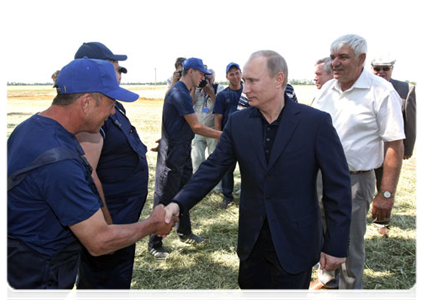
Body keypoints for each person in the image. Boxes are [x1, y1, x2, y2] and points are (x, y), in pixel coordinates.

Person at [164, 50, 352, 300]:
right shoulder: (238, 124)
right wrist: (178, 202)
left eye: (252, 81)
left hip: (295, 241)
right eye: (246, 81)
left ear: (278, 79)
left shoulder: (314, 123)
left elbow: (337, 186)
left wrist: (336, 245)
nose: (245, 88)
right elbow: (213, 168)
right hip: (252, 243)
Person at [5, 58, 177, 300]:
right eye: (110, 103)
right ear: (86, 102)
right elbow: (98, 242)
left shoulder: (30, 128)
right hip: (34, 279)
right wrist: (152, 224)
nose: (112, 111)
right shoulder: (59, 162)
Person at [310, 34, 405, 300]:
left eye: (342, 57)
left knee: (350, 243)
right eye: (332, 57)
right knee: (322, 230)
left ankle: (351, 294)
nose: (335, 63)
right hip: (320, 176)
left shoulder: (380, 91)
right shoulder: (328, 89)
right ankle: (328, 279)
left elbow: (394, 145)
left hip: (355, 180)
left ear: (362, 59)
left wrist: (386, 194)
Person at [72, 42, 151, 300]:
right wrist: (107, 224)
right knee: (104, 281)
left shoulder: (112, 104)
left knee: (117, 276)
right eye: (114, 69)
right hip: (111, 215)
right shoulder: (90, 113)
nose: (119, 75)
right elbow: (89, 173)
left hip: (122, 213)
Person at [148, 57, 222, 259]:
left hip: (182, 148)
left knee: (184, 192)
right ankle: (154, 243)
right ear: (191, 72)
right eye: (201, 74)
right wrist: (223, 135)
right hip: (172, 152)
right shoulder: (179, 92)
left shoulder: (184, 92)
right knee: (164, 196)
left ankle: (185, 232)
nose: (203, 78)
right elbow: (196, 126)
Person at [370, 54, 418, 236]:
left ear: (392, 69)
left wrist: (407, 149)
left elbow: (411, 122)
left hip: (389, 149)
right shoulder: (365, 86)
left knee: (385, 186)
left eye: (385, 69)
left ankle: (382, 221)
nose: (381, 72)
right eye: (377, 69)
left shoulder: (406, 89)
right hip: (367, 148)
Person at [213, 62, 249, 208]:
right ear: (227, 77)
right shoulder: (222, 96)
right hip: (228, 138)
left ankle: (246, 195)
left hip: (246, 137)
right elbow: (218, 118)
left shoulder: (248, 92)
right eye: (231, 74)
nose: (235, 76)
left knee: (247, 168)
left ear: (241, 74)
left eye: (237, 73)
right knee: (227, 169)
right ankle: (227, 196)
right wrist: (218, 138)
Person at [191, 69, 225, 175]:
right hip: (198, 129)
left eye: (209, 79)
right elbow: (191, 103)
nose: (206, 81)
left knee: (213, 158)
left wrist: (209, 91)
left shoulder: (219, 88)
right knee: (196, 158)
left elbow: (220, 105)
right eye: (204, 78)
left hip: (212, 129)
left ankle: (216, 187)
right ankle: (197, 183)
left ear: (213, 79)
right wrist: (194, 88)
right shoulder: (197, 90)